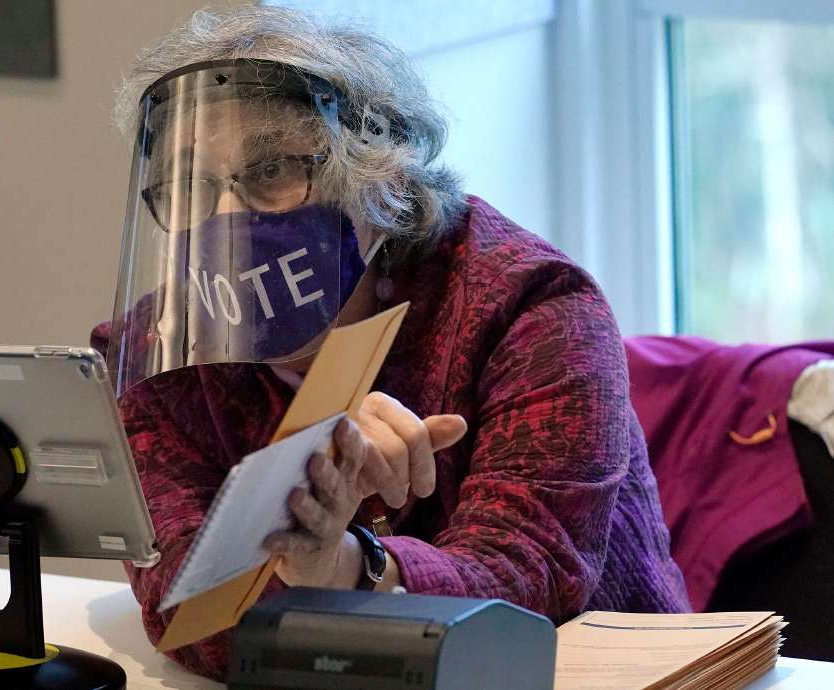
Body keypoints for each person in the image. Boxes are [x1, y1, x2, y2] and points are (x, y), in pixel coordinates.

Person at [95, 6, 691, 679]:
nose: (226, 219)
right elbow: (182, 607)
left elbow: (530, 585)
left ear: (379, 183)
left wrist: (340, 565)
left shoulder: (534, 311)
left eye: (269, 172)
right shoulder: (153, 351)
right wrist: (297, 551)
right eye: (190, 185)